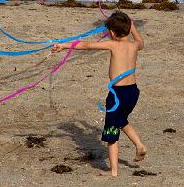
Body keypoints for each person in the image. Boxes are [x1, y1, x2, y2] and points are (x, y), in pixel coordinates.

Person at [52, 11, 147, 177]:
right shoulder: (134, 45)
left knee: (111, 133)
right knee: (121, 120)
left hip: (117, 95)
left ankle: (113, 171)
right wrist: (132, 27)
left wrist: (64, 45)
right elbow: (141, 41)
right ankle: (139, 145)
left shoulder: (112, 44)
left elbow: (87, 46)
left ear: (111, 32)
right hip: (133, 92)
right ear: (128, 29)